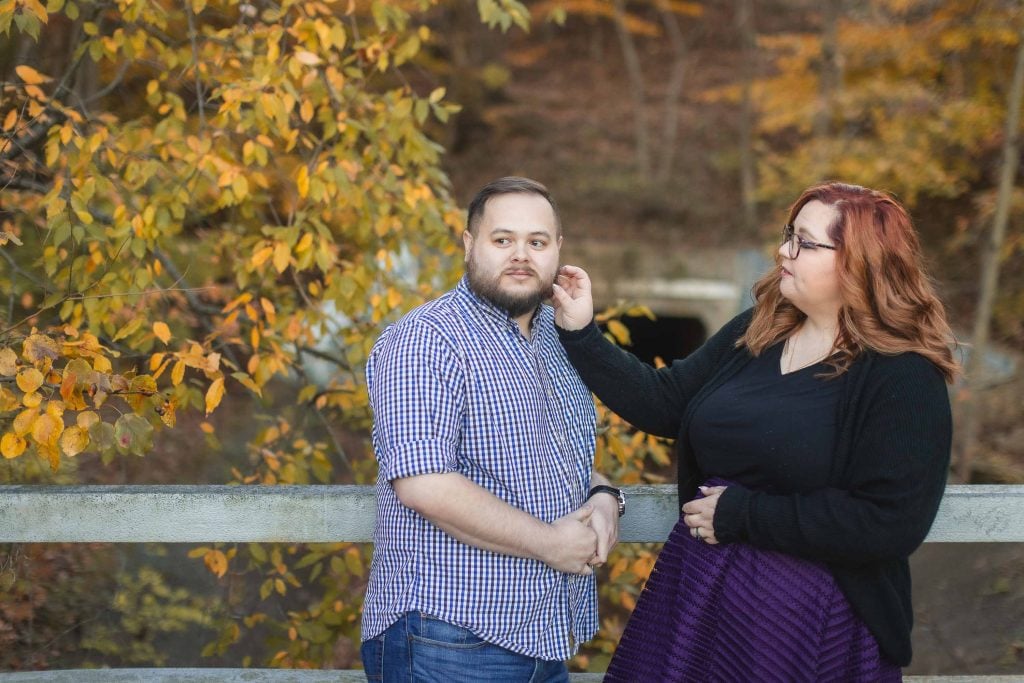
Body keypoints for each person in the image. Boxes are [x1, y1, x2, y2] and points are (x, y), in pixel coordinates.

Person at [551, 182, 959, 681]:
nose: (783, 250)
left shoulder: (903, 376)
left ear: (858, 262)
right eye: (790, 234)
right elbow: (665, 402)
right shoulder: (762, 328)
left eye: (805, 243)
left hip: (809, 620)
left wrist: (744, 514)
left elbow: (890, 521)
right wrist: (582, 332)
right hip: (700, 591)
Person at [360, 176, 625, 682]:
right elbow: (423, 482)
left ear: (558, 251)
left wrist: (605, 492)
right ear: (468, 245)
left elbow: (551, 455)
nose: (520, 255)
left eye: (537, 242)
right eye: (502, 240)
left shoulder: (556, 335)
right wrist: (550, 543)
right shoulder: (425, 341)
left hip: (544, 631)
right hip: (449, 637)